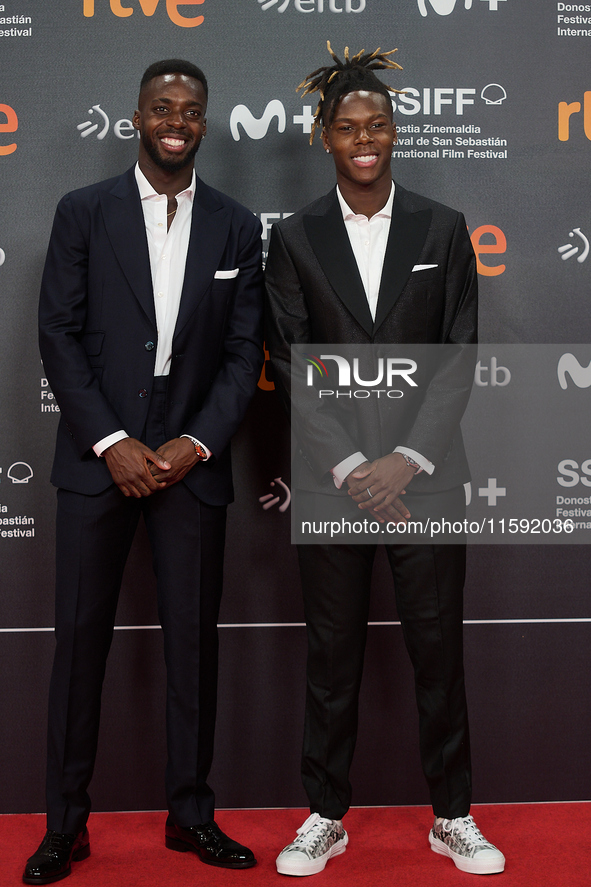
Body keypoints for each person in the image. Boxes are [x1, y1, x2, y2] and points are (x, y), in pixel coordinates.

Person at [265, 43, 505, 877]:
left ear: (395, 131)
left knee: (438, 652)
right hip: (334, 486)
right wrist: (350, 470)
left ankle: (452, 814)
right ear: (321, 137)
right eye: (346, 126)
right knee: (332, 657)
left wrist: (403, 458)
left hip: (427, 478)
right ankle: (325, 814)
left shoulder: (442, 227)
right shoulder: (293, 239)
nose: (362, 138)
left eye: (376, 124)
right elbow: (294, 361)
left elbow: (459, 353)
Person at [24, 59, 263, 883]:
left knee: (194, 649)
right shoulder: (82, 212)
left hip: (190, 465)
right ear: (135, 117)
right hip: (101, 460)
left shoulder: (235, 225)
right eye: (161, 107)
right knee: (78, 645)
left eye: (189, 110)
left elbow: (243, 355)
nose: (175, 120)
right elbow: (58, 332)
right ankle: (64, 825)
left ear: (204, 123)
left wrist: (195, 443)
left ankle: (191, 814)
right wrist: (111, 441)